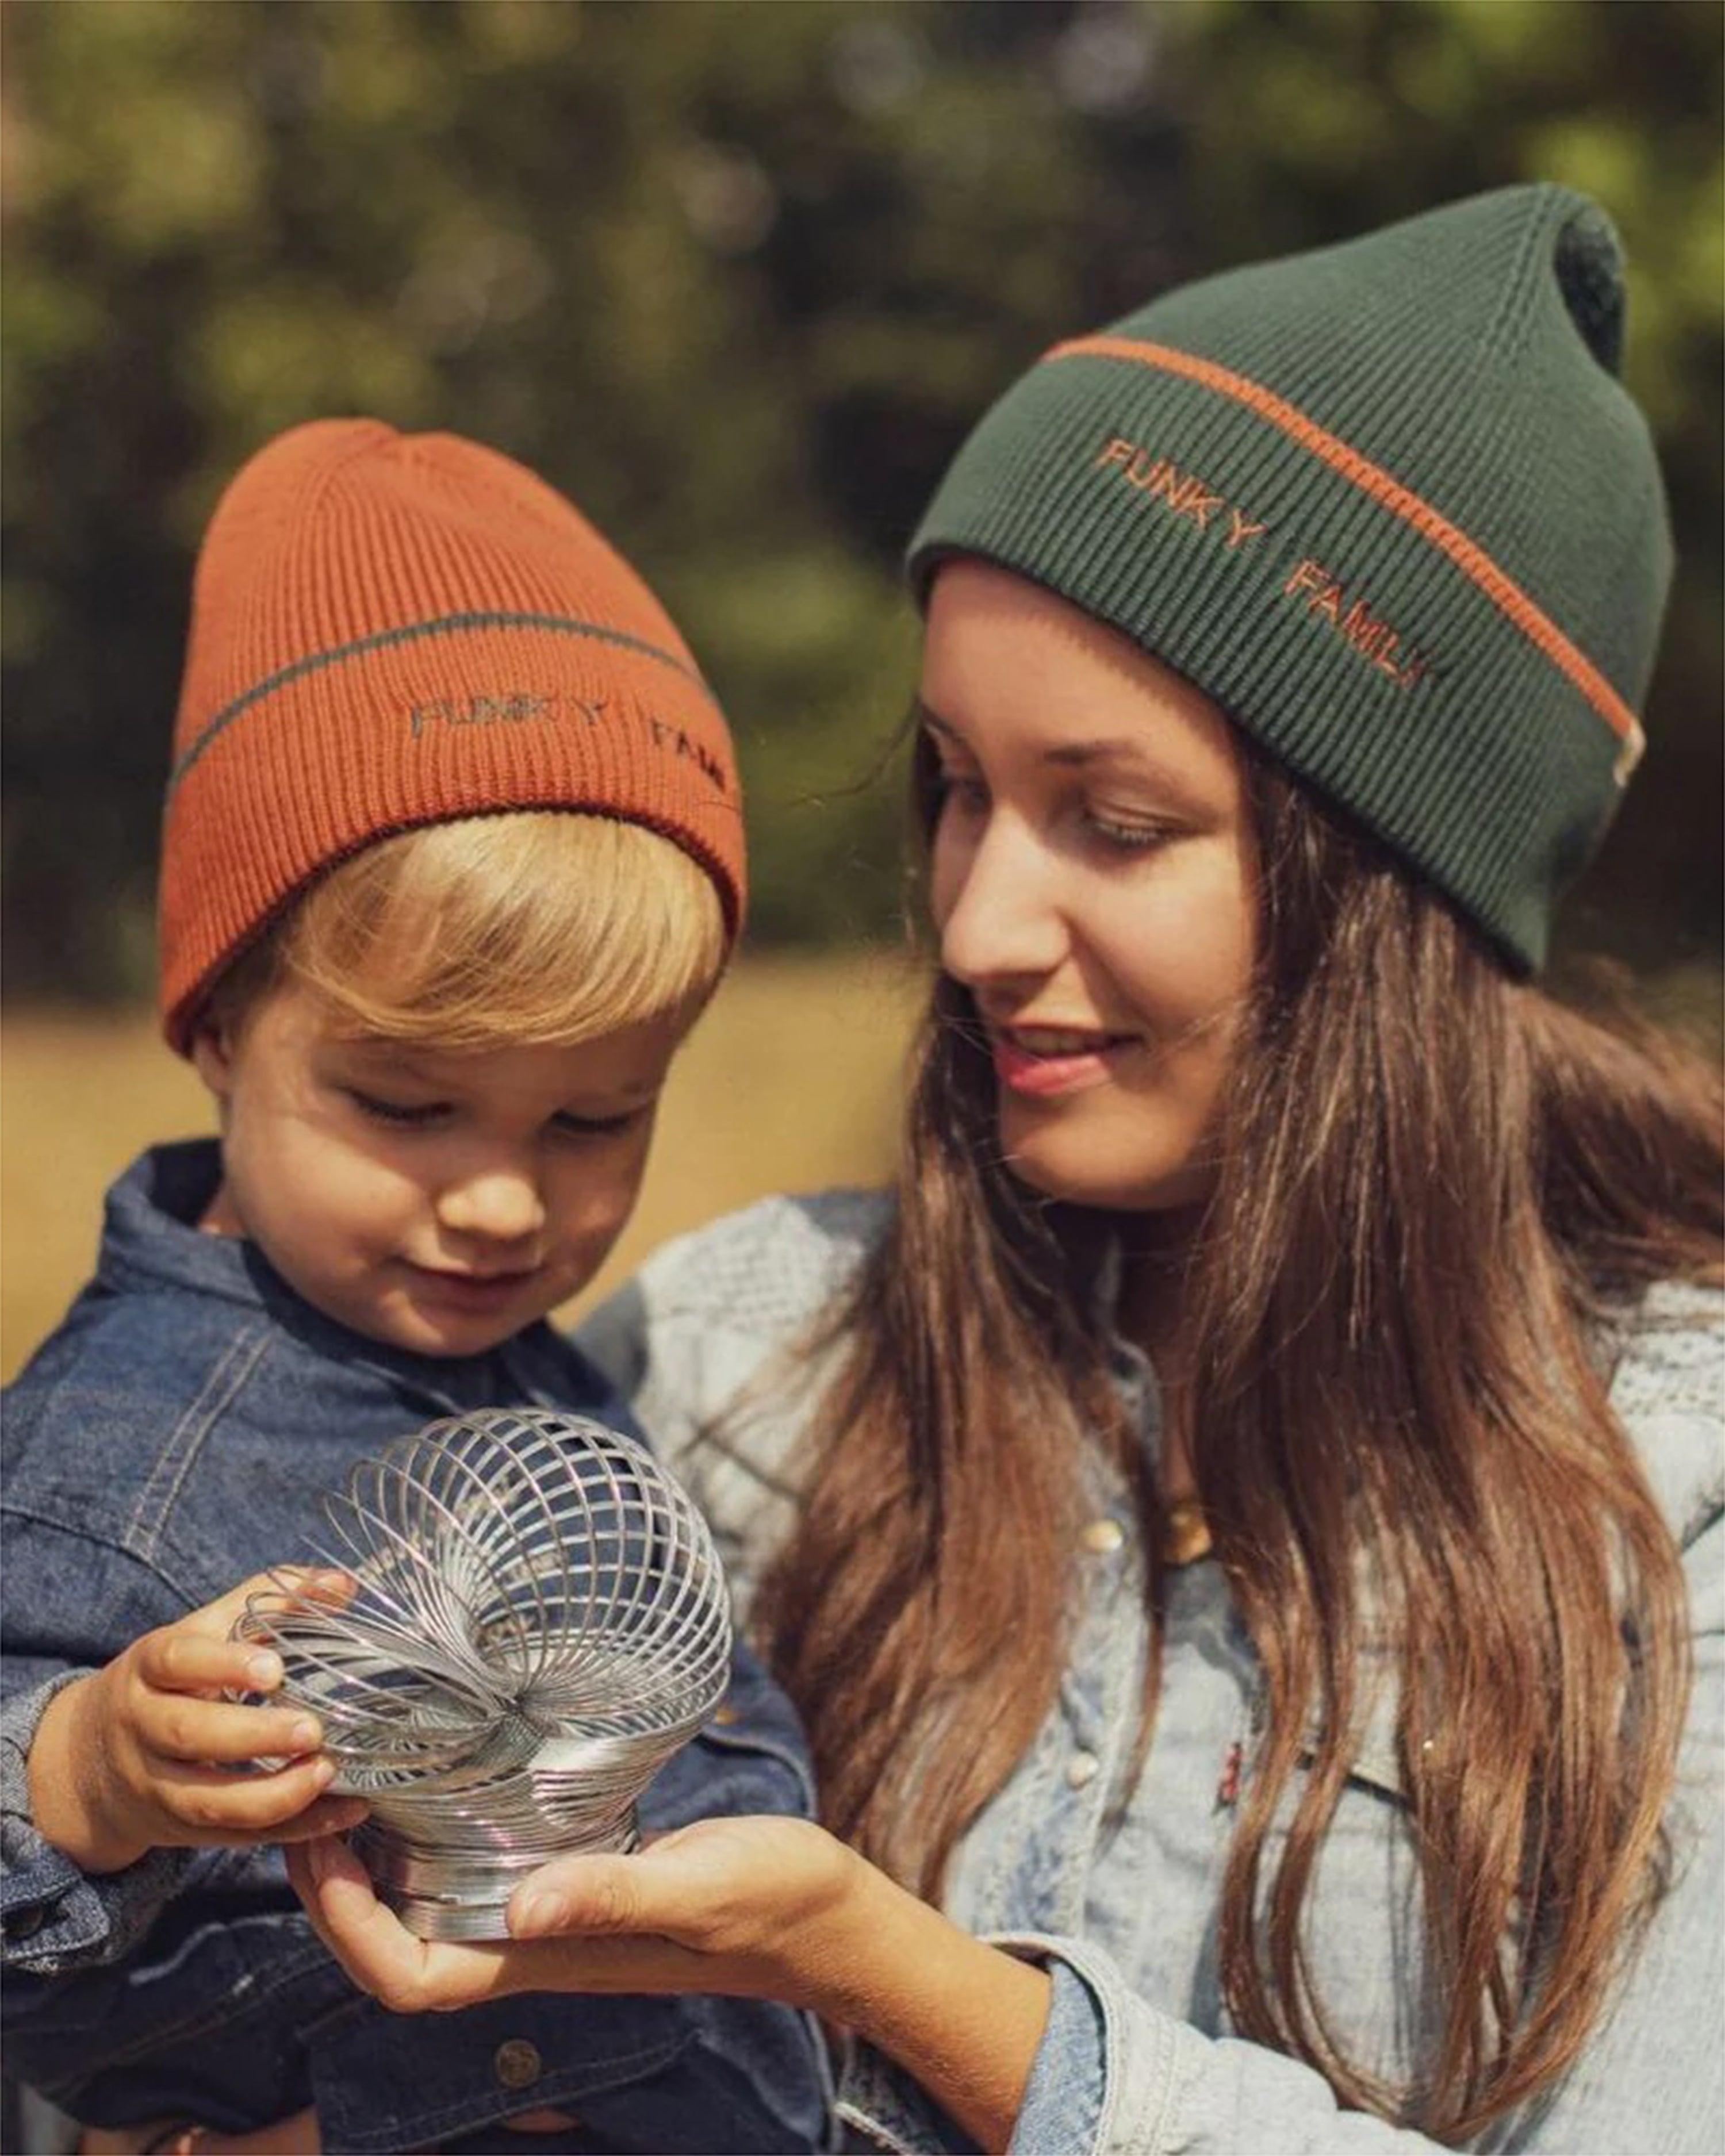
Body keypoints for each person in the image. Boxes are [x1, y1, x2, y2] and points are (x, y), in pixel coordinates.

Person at [291, 186, 1724, 2154]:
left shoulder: (1680, 1504)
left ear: (1396, 896)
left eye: (1114, 822)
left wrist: (907, 1993)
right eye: (958, 786)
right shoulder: (742, 1352)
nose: (973, 926)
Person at [0, 420, 828, 2156]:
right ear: (222, 1028)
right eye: (407, 1106)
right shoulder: (112, 1460)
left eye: (597, 1116)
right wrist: (84, 1771)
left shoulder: (520, 1375)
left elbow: (710, 1729)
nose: (507, 1202)